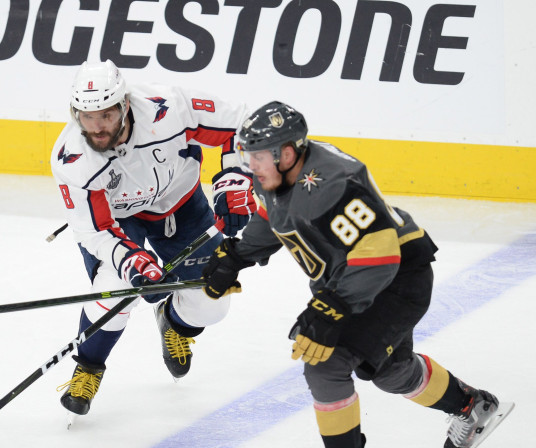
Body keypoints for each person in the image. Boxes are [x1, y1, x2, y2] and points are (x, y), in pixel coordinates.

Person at [201, 101, 514, 447]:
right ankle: (472, 407)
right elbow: (271, 214)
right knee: (390, 370)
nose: (251, 165)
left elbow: (378, 256)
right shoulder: (274, 174)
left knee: (326, 363)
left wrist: (333, 306)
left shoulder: (334, 183)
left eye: (258, 156)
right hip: (355, 277)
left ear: (287, 154)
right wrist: (237, 256)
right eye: (249, 155)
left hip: (396, 278)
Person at [50, 60, 256, 419]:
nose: (97, 127)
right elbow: (94, 229)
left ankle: (173, 322)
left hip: (182, 204)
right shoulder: (72, 158)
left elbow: (240, 125)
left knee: (214, 301)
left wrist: (236, 175)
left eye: (107, 115)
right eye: (87, 116)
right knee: (114, 288)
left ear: (125, 105)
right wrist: (130, 260)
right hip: (119, 222)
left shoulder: (171, 108)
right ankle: (88, 367)